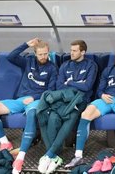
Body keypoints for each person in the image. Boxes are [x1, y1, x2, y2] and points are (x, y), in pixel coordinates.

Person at [0, 38, 58, 174]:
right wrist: (26, 45)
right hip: (20, 100)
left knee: (32, 114)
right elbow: (11, 56)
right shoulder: (28, 62)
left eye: (46, 54)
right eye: (40, 54)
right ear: (35, 53)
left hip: (37, 101)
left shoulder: (52, 68)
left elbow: (51, 91)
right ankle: (5, 142)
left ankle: (20, 157)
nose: (43, 57)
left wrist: (34, 97)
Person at [37, 40, 98, 173]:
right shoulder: (65, 65)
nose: (71, 53)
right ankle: (54, 156)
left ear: (83, 52)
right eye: (71, 50)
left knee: (71, 115)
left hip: (79, 101)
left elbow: (87, 86)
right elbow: (59, 86)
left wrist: (69, 82)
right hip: (63, 99)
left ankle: (49, 155)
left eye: (75, 51)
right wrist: (77, 83)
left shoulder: (91, 65)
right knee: (53, 116)